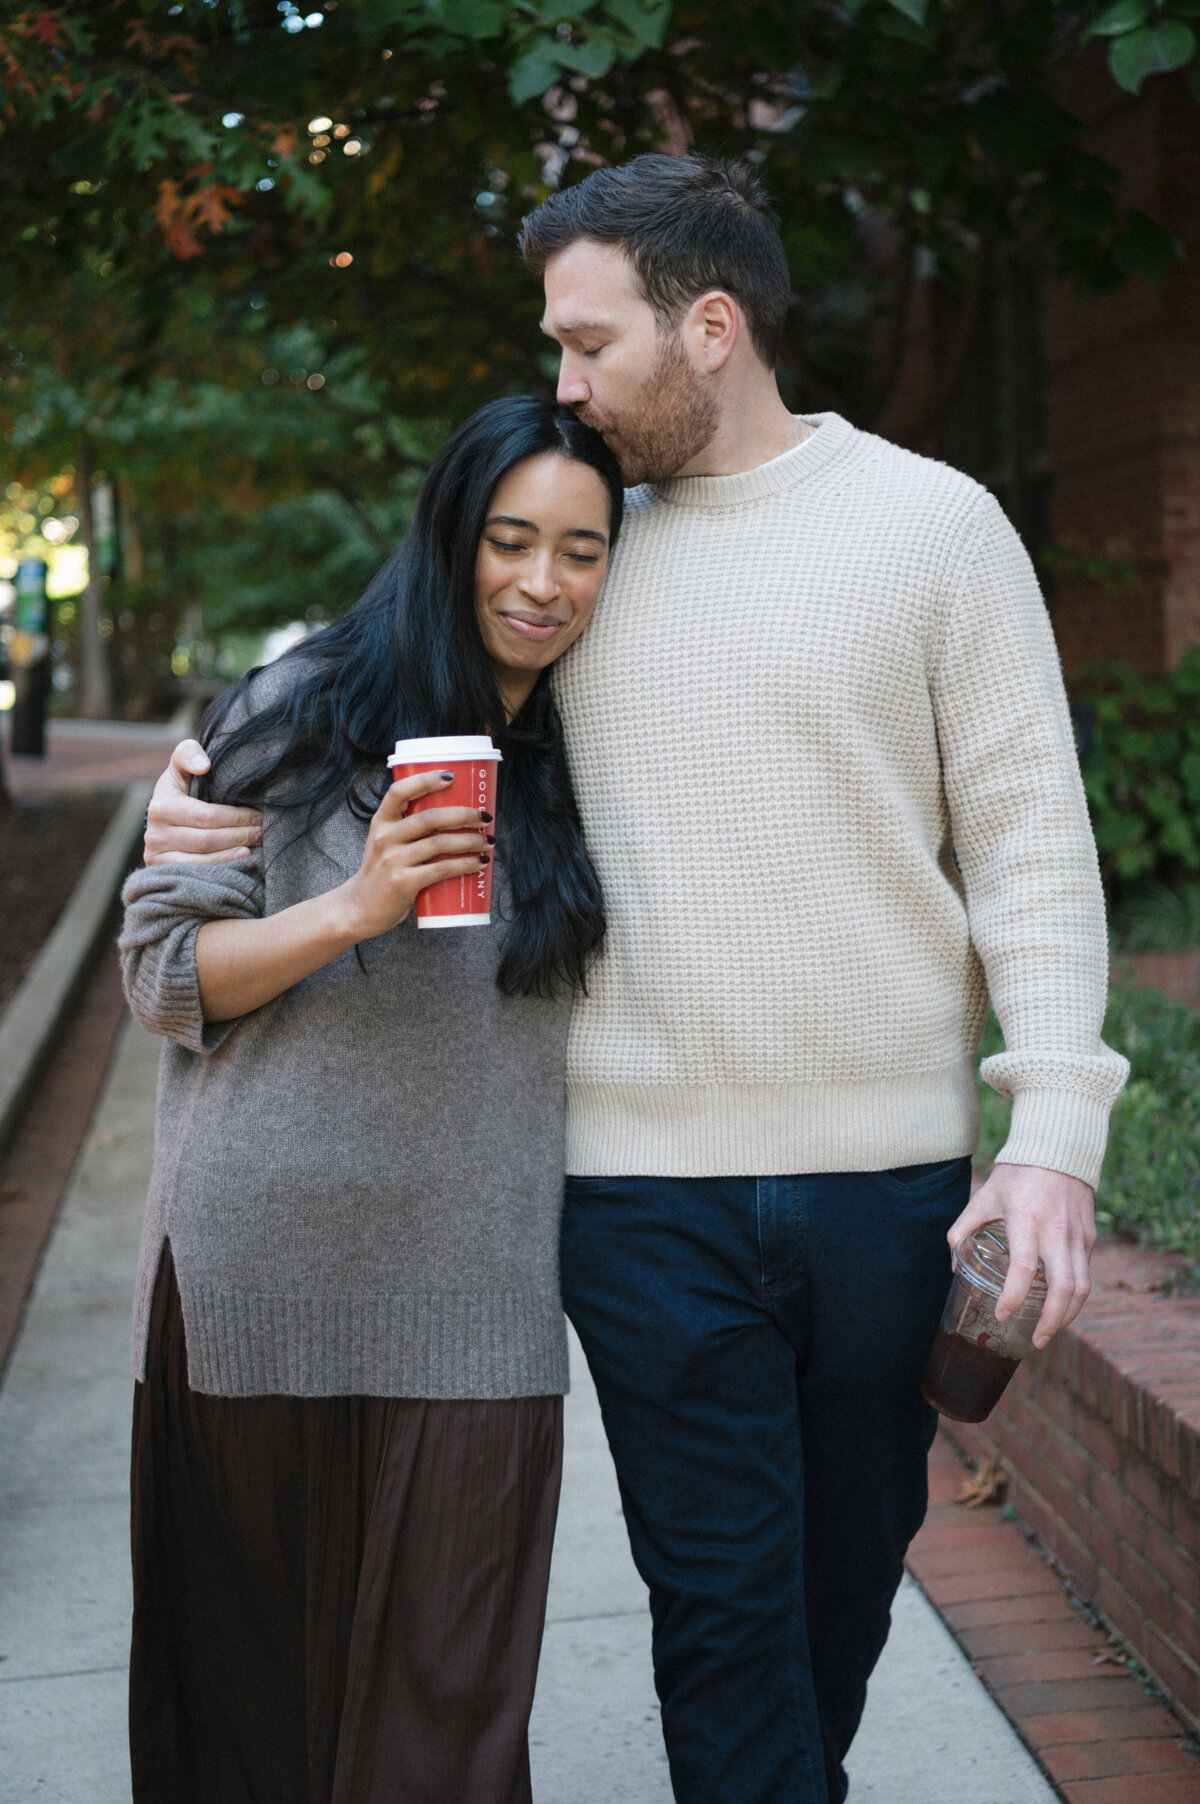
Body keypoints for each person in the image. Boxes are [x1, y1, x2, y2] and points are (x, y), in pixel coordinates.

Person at [145, 155, 1129, 1804]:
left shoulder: (938, 530)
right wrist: (216, 769)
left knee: (834, 1603)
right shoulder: (584, 555)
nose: (565, 381)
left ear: (714, 329)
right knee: (724, 1615)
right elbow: (410, 645)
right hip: (635, 1196)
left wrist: (1053, 1132)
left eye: (590, 345)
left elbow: (1033, 843)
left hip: (888, 1184)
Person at [119, 395, 624, 1804]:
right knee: (252, 1729)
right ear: (449, 535)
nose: (541, 583)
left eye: (581, 552)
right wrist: (356, 902)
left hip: (476, 1304)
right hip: (254, 1281)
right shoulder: (296, 713)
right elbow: (163, 980)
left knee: (443, 1744)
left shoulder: (605, 743)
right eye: (510, 540)